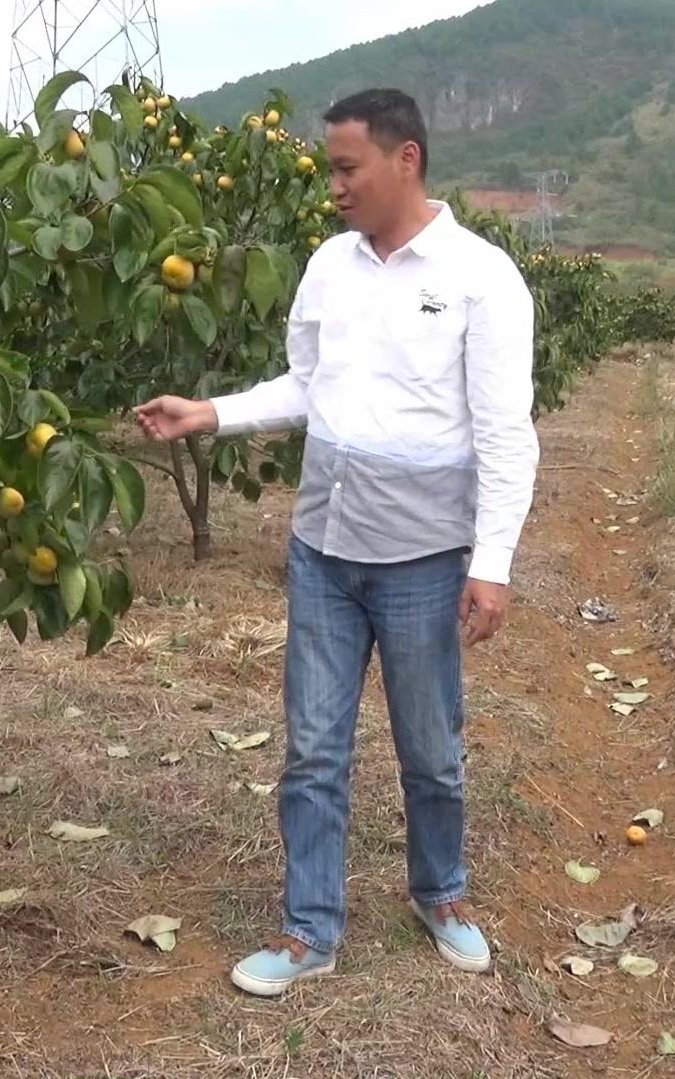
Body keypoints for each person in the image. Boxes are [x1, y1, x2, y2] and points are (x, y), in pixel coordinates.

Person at [134, 87, 539, 997]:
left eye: (347, 168)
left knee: (430, 746)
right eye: (330, 169)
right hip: (324, 545)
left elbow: (507, 431)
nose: (334, 187)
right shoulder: (329, 266)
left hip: (424, 559)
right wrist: (212, 413)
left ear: (406, 161)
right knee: (313, 748)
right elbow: (307, 385)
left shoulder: (480, 278)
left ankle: (442, 894)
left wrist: (492, 563)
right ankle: (310, 928)